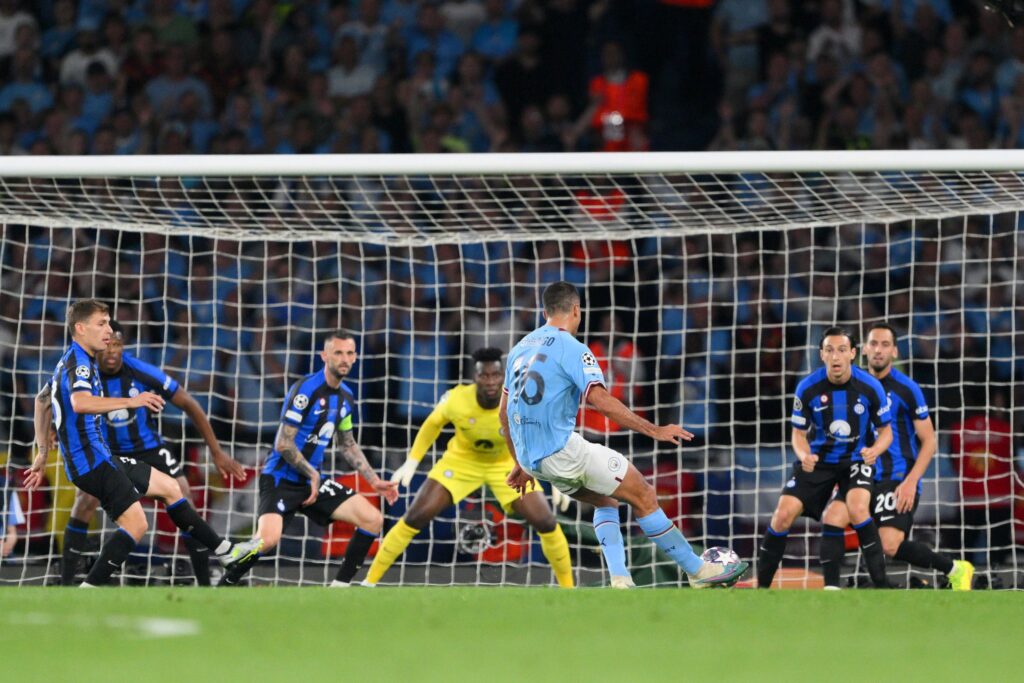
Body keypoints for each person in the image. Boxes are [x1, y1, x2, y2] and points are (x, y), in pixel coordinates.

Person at [502, 282, 748, 588]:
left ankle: (620, 579)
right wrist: (654, 430)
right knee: (643, 494)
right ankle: (698, 571)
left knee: (606, 501)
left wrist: (521, 462)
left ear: (545, 311)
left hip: (536, 461)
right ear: (577, 310)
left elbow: (504, 414)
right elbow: (601, 401)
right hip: (564, 451)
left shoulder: (519, 349)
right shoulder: (575, 349)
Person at [25, 300, 260, 587]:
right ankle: (81, 588)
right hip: (93, 460)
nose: (109, 332)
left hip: (113, 455)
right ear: (80, 328)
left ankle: (226, 553)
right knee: (135, 524)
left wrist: (42, 452)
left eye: (110, 324)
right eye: (102, 324)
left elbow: (42, 400)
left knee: (173, 488)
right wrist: (131, 401)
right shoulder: (81, 363)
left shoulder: (74, 360)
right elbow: (80, 402)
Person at [365, 347, 574, 588]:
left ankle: (568, 589)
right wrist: (412, 461)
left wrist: (556, 475)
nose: (490, 381)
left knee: (546, 522)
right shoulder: (456, 399)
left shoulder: (520, 400)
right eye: (484, 376)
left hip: (506, 465)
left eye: (495, 375)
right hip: (461, 462)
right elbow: (432, 424)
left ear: (503, 376)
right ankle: (369, 583)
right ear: (474, 377)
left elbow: (543, 433)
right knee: (415, 516)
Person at [219, 331, 399, 587]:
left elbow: (347, 445)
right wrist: (312, 473)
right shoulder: (306, 389)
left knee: (373, 519)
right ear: (324, 356)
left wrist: (374, 480)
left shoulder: (346, 397)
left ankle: (340, 589)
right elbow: (283, 443)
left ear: (356, 357)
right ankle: (225, 581)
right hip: (281, 477)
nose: (344, 359)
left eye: (349, 353)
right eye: (338, 353)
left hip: (312, 482)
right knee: (266, 541)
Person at [819, 323, 974, 590]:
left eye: (885, 345)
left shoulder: (907, 389)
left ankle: (955, 569)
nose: (878, 350)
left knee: (890, 545)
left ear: (895, 352)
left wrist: (911, 482)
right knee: (833, 516)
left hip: (897, 478)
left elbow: (929, 441)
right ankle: (830, 592)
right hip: (861, 476)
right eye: (874, 344)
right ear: (863, 350)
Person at [756, 326, 893, 589]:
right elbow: (797, 433)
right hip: (818, 461)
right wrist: (803, 454)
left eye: (842, 350)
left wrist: (875, 450)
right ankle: (761, 590)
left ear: (853, 353)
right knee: (782, 515)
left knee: (857, 508)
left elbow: (886, 432)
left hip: (856, 460)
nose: (836, 357)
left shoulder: (870, 387)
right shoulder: (807, 388)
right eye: (829, 350)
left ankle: (882, 585)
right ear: (822, 355)